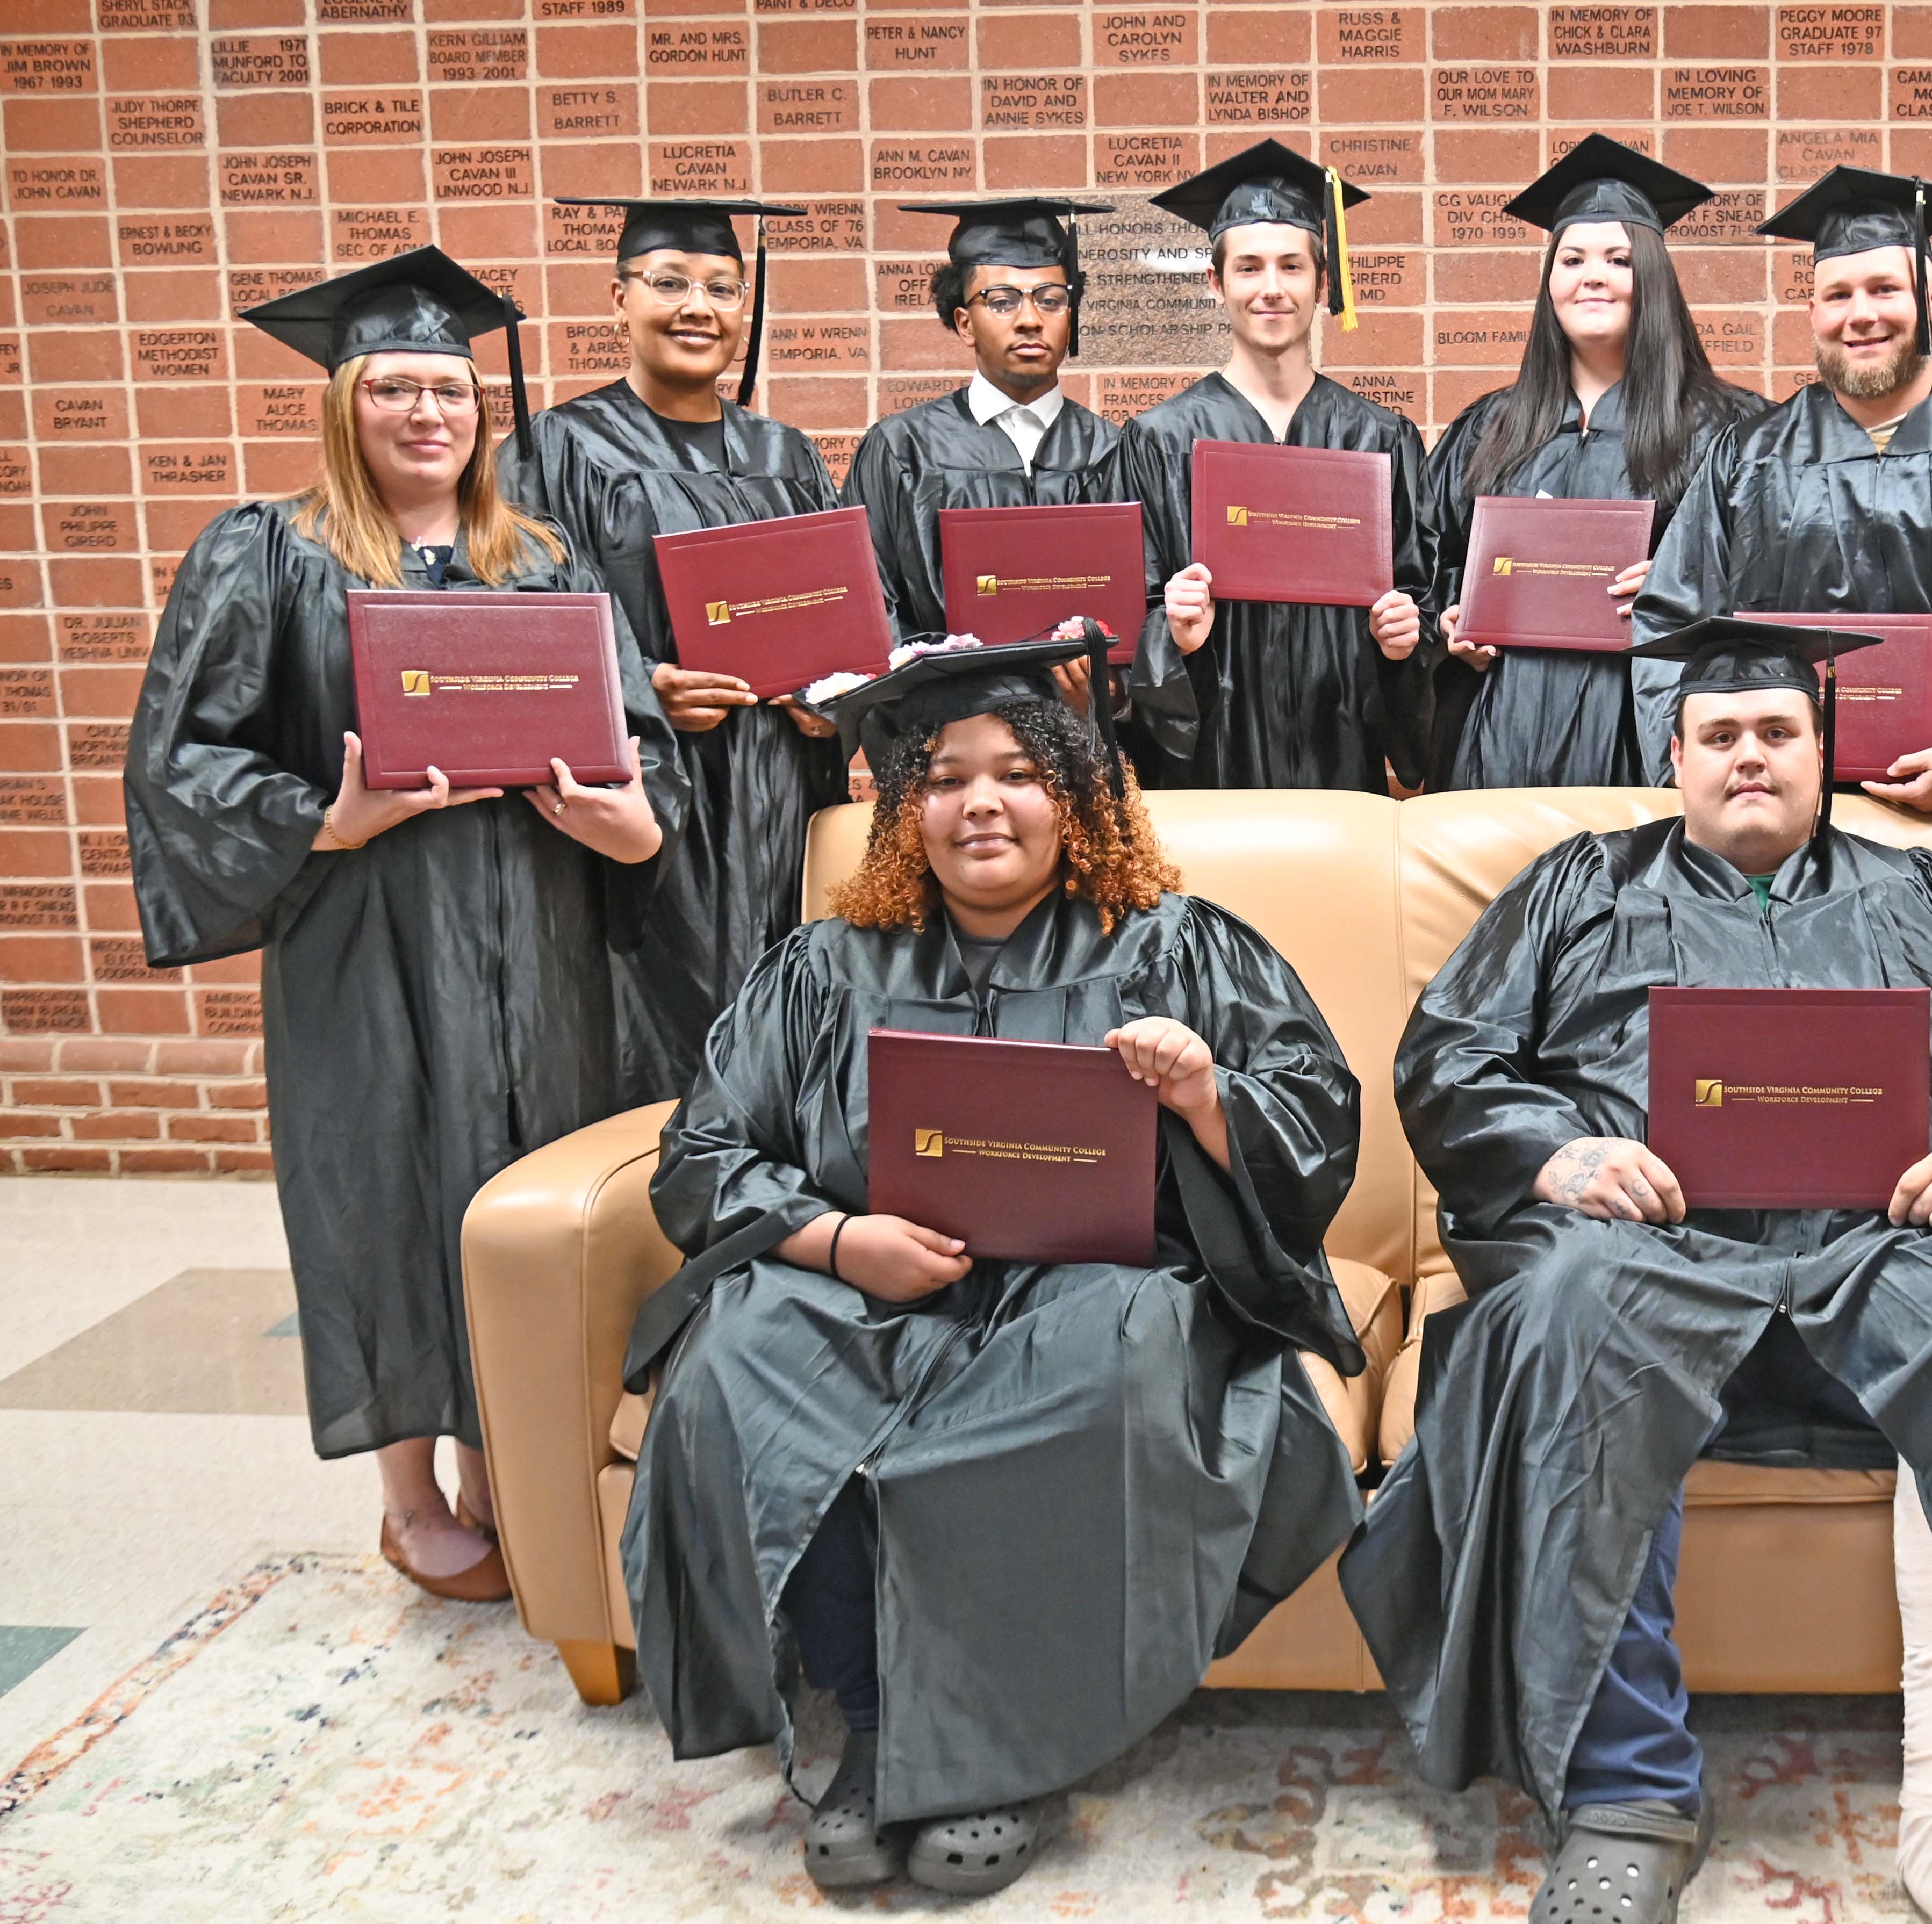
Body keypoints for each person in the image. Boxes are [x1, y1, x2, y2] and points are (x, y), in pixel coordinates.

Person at [1342, 618, 1932, 1924]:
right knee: (1569, 1309)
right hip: (1645, 1256)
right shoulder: (1573, 886)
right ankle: (1623, 1789)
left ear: (1821, 750)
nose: (1750, 756)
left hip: (1886, 1255)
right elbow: (1447, 1056)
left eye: (1778, 733)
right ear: (1674, 756)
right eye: (1721, 735)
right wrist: (1555, 1155)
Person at [618, 631, 1371, 1896]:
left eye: (1018, 772)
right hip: (869, 1286)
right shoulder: (823, 968)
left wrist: (1200, 1093)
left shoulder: (1174, 942)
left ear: (1072, 801)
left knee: (1114, 1358)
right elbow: (700, 1151)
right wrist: (837, 1237)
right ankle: (870, 1719)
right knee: (735, 1352)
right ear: (903, 810)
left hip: (1093, 1290)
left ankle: (1000, 1748)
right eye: (946, 776)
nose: (981, 801)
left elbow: (1316, 1110)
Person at [123, 247, 676, 1604]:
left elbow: (638, 746)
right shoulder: (266, 554)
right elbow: (176, 757)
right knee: (380, 1176)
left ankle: (510, 1454)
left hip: (533, 934)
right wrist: (327, 815)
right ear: (344, 403)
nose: (429, 412)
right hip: (366, 930)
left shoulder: (543, 559)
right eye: (396, 388)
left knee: (518, 1179)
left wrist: (630, 820)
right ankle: (406, 1487)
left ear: (481, 409)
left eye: (451, 387)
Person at [1628, 169, 1932, 855]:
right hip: (1769, 830)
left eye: (1885, 289)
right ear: (1812, 313)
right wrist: (1709, 766)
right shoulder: (1747, 458)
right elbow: (1671, 621)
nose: (1861, 314)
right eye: (1838, 295)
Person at [499, 197, 848, 1105]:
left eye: (721, 288)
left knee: (789, 1021)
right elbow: (523, 622)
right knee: (653, 1033)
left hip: (779, 795)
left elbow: (848, 613)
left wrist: (835, 698)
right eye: (669, 284)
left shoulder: (787, 453)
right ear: (618, 299)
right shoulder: (555, 452)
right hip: (648, 800)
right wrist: (641, 684)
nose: (698, 306)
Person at [1422, 136, 1767, 788]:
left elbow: (1776, 586)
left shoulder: (1727, 430)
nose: (1593, 276)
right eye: (1571, 258)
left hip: (1641, 743)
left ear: (1653, 279)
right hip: (1495, 744)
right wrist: (1445, 625)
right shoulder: (1486, 430)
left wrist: (1684, 593)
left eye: (1618, 258)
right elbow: (1425, 565)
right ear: (1549, 281)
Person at [1122, 139, 1436, 790]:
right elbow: (1128, 619)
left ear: (1323, 283)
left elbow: (1424, 601)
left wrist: (1406, 639)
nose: (1271, 289)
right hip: (1210, 767)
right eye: (1249, 268)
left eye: (1292, 267)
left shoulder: (1379, 437)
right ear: (1216, 283)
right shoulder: (1158, 441)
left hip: (1340, 759)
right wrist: (1171, 636)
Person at [839, 197, 1126, 645]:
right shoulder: (902, 449)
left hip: (1085, 709)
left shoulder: (1115, 452)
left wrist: (1112, 686)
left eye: (1051, 301)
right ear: (965, 323)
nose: (1030, 320)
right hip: (946, 709)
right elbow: (869, 602)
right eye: (1002, 301)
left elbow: (1146, 599)